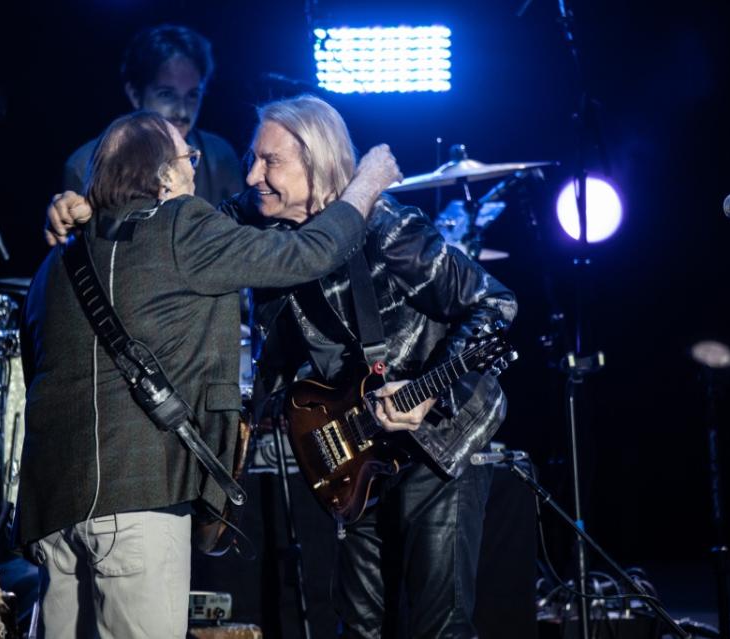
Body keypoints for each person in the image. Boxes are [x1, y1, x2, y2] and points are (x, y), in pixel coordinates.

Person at [47, 95, 518, 638]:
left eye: (270, 161)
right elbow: (160, 220)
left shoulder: (390, 228)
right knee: (359, 624)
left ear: (316, 160)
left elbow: (497, 306)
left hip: (438, 440)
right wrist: (83, 205)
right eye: (252, 159)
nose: (252, 175)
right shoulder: (255, 219)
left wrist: (435, 391)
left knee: (436, 626)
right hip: (359, 447)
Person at [23, 109, 401, 638]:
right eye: (187, 158)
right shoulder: (182, 225)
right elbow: (309, 253)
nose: (196, 171)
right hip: (138, 501)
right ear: (162, 176)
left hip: (53, 511)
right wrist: (365, 185)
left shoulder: (53, 265)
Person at [63, 24, 242, 206]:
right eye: (166, 94)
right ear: (134, 93)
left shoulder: (220, 156)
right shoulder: (85, 165)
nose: (182, 111)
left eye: (192, 95)